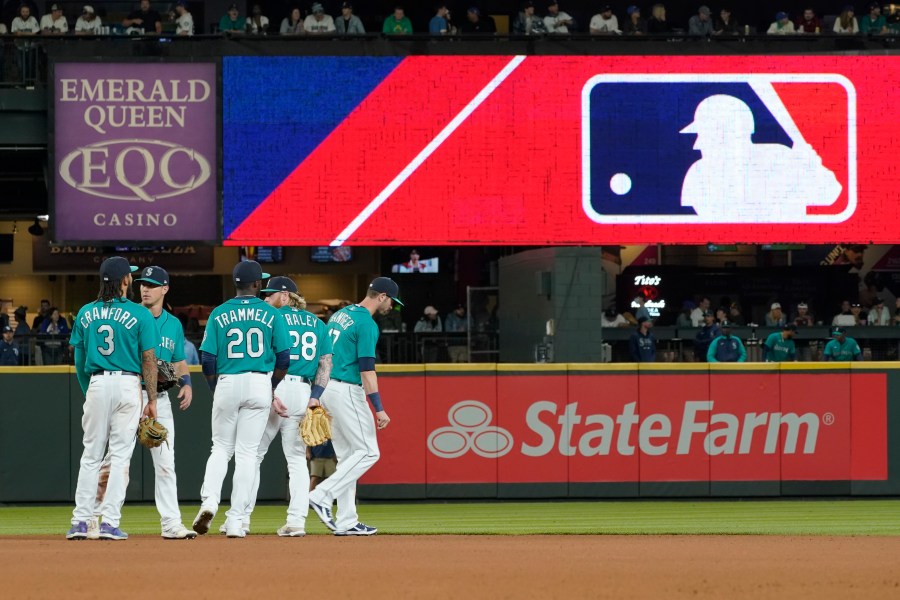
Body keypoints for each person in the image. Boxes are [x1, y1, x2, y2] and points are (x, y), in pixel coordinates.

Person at [93, 266, 196, 539]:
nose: (145, 288)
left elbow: (178, 361)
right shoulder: (131, 314)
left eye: (152, 284)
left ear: (165, 289)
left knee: (165, 464)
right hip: (131, 394)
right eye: (142, 284)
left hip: (159, 398)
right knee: (115, 461)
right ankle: (92, 517)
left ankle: (171, 524)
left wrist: (186, 383)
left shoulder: (173, 324)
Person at [192, 261, 291, 538]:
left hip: (227, 380)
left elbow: (208, 359)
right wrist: (270, 386)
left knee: (221, 448)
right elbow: (284, 358)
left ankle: (209, 502)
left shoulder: (219, 313)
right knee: (248, 454)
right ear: (257, 284)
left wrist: (216, 388)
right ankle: (236, 521)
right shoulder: (271, 314)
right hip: (260, 381)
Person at [67, 257, 158, 541]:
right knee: (120, 457)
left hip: (97, 382)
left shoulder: (85, 313)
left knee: (90, 455)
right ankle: (109, 523)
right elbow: (149, 360)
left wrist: (90, 391)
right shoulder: (140, 314)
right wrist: (151, 398)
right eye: (129, 276)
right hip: (129, 384)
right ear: (125, 281)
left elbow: (80, 360)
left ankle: (80, 522)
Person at [307, 277, 400, 536]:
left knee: (348, 457)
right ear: (381, 296)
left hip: (327, 387)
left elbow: (323, 356)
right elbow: (367, 371)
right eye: (391, 300)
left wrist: (317, 391)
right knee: (369, 452)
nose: (392, 305)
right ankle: (322, 494)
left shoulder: (339, 315)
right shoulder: (366, 323)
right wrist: (378, 407)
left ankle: (347, 520)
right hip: (346, 388)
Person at [245, 276, 332, 537]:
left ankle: (240, 518)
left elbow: (265, 358)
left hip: (276, 386)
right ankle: (296, 521)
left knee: (254, 454)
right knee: (296, 459)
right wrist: (316, 395)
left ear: (285, 296)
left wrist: (270, 391)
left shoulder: (273, 319)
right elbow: (326, 364)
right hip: (304, 391)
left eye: (269, 295)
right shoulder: (318, 323)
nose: (265, 299)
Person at [680, 95, 841, 222]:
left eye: (705, 135)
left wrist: (812, 168)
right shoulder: (699, 173)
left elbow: (830, 195)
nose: (697, 144)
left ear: (728, 135)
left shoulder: (781, 158)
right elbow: (714, 223)